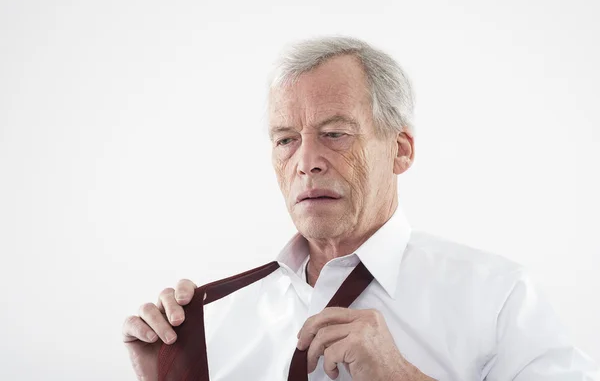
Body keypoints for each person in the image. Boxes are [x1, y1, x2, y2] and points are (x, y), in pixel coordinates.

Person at [122, 36, 599, 380]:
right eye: (286, 140)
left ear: (401, 150)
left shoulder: (499, 297)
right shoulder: (217, 318)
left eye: (335, 134)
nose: (306, 163)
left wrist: (402, 378)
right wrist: (167, 375)